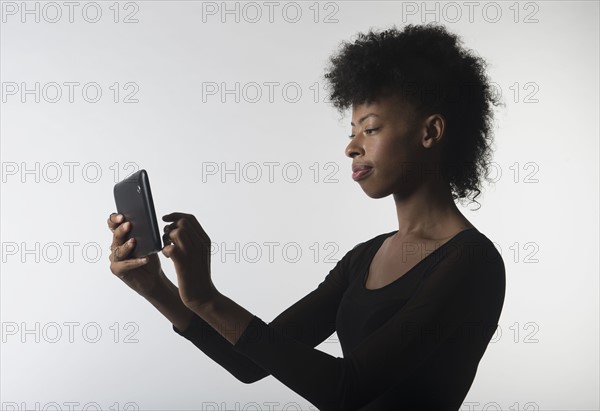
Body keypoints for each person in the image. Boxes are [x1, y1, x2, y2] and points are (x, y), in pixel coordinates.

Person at [107, 23, 506, 411]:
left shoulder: (472, 262)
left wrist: (206, 299)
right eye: (352, 131)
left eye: (370, 129)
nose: (351, 147)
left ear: (430, 131)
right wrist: (157, 287)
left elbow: (346, 391)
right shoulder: (363, 258)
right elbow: (250, 363)